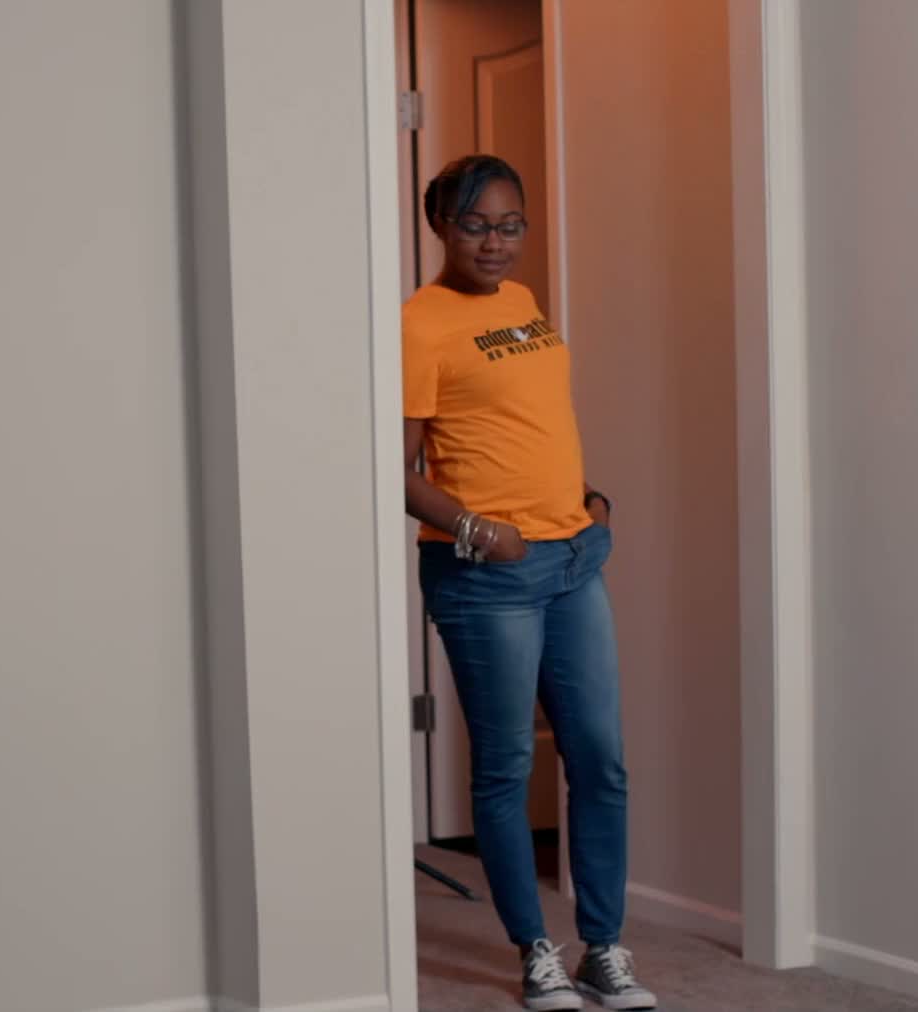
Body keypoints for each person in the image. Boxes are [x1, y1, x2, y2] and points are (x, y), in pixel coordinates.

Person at [402, 154, 654, 1012]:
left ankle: (603, 950)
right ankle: (536, 953)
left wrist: (586, 498)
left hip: (575, 559)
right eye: (475, 225)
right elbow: (394, 467)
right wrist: (481, 532)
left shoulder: (523, 303)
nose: (495, 243)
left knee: (601, 760)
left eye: (510, 226)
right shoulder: (418, 324)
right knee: (507, 766)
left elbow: (529, 423)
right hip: (488, 577)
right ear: (441, 225)